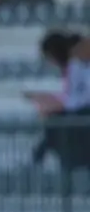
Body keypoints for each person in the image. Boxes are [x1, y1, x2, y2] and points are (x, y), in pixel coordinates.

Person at [26, 30, 90, 172]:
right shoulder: (74, 67)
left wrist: (55, 104)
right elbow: (72, 97)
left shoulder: (78, 67)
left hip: (83, 114)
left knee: (55, 125)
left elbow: (79, 98)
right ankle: (40, 159)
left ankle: (38, 159)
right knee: (54, 128)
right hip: (78, 113)